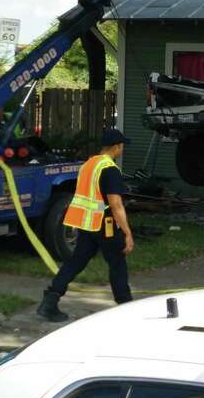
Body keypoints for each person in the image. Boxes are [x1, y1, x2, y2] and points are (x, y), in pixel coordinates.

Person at [37, 129, 134, 322]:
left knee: (76, 261)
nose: (121, 149)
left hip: (87, 222)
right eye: (121, 146)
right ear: (116, 147)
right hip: (104, 223)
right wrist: (127, 233)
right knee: (117, 262)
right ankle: (126, 307)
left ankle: (50, 300)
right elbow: (115, 205)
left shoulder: (88, 165)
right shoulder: (110, 169)